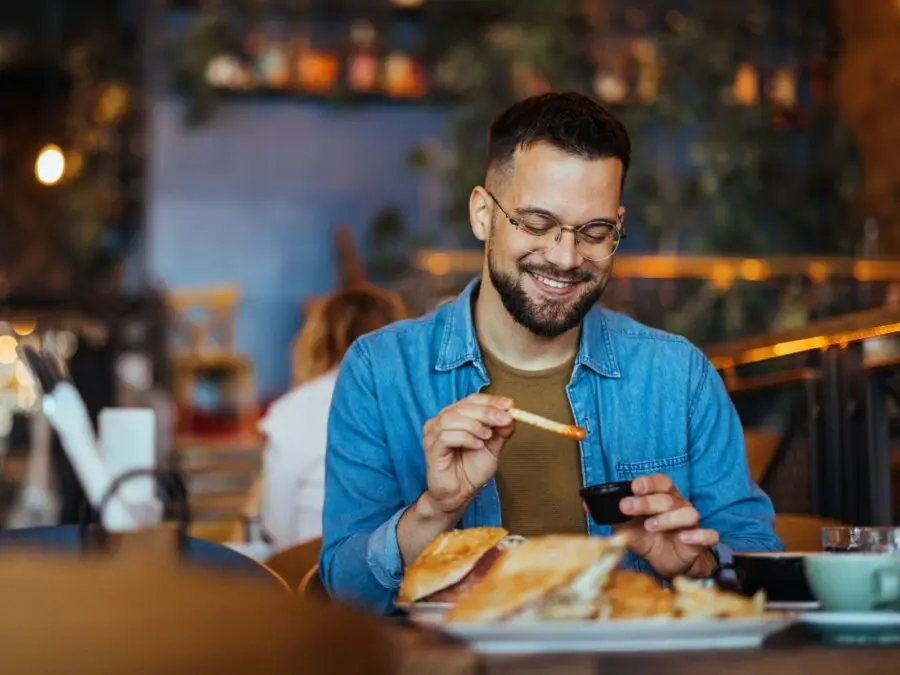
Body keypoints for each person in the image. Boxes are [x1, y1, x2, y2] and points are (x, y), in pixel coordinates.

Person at [320, 92, 782, 613]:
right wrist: (437, 509)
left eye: (596, 231)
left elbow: (760, 566)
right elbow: (345, 595)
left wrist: (697, 567)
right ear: (481, 215)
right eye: (537, 224)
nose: (565, 257)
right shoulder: (381, 372)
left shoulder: (680, 376)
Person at [258, 285, 407, 552]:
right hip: (396, 574)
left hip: (308, 575)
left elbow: (276, 526)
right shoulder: (415, 403)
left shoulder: (291, 410)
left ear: (320, 337)